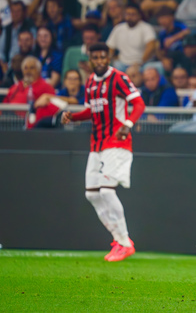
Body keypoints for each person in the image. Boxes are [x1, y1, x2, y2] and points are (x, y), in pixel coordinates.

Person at [61, 43, 145, 262]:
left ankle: (125, 242)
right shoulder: (90, 82)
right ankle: (119, 240)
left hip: (117, 143)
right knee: (92, 194)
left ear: (109, 58)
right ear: (90, 60)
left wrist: (127, 123)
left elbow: (138, 104)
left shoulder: (119, 78)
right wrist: (74, 117)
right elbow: (91, 110)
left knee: (107, 192)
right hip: (96, 145)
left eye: (102, 57)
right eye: (95, 57)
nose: (99, 61)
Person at [0, 56, 58, 128]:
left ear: (39, 70)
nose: (28, 71)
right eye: (25, 68)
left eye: (32, 68)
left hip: (30, 124)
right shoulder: (15, 87)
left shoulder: (46, 87)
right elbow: (4, 104)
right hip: (9, 120)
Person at [106, 3, 158, 72]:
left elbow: (151, 46)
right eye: (128, 14)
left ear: (139, 15)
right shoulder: (118, 28)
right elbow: (110, 48)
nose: (130, 17)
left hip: (141, 64)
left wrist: (140, 63)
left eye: (133, 14)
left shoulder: (146, 28)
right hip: (121, 63)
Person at [0, 0, 37, 65]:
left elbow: (34, 47)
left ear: (24, 12)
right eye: (13, 11)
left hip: (27, 63)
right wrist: (2, 64)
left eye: (18, 11)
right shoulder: (7, 29)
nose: (15, 14)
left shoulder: (31, 27)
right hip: (9, 65)